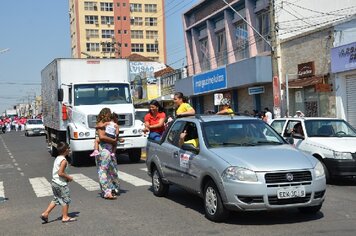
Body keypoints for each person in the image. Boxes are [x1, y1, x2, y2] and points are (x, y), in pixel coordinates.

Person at [40, 142, 77, 223]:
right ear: (66, 150)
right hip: (61, 184)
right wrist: (69, 177)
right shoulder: (64, 160)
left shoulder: (57, 158)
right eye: (69, 149)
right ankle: (65, 217)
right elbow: (60, 173)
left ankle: (45, 214)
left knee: (56, 199)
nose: (69, 150)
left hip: (54, 182)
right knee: (65, 200)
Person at [95, 108, 120, 199]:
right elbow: (101, 137)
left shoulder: (109, 124)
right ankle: (106, 191)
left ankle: (113, 188)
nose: (110, 116)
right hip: (103, 150)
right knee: (103, 170)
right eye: (108, 114)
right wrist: (113, 141)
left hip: (109, 150)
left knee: (112, 170)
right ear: (104, 114)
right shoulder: (101, 124)